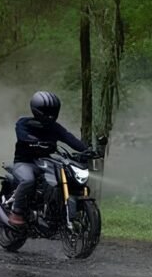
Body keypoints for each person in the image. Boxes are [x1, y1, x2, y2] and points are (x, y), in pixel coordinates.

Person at [8, 91, 90, 226]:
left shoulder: (55, 127)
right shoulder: (24, 123)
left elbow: (70, 139)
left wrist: (87, 150)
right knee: (28, 180)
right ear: (37, 110)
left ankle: (54, 212)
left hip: (46, 162)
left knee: (61, 178)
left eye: (53, 111)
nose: (51, 114)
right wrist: (34, 141)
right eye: (47, 111)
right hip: (25, 162)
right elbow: (22, 136)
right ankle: (17, 212)